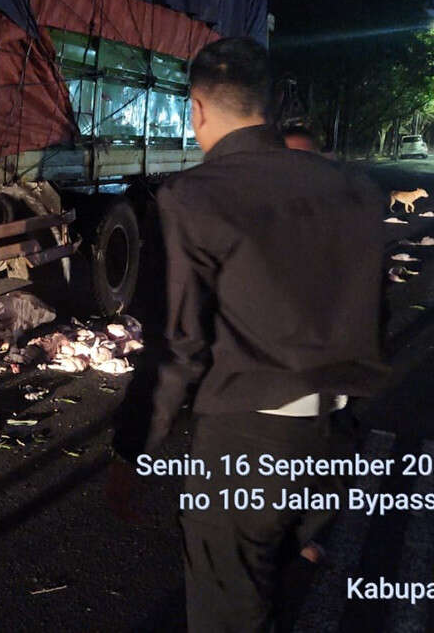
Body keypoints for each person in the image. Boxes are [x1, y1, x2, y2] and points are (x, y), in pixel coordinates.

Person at [109, 38, 389, 632]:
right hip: (334, 436)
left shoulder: (193, 197)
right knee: (280, 573)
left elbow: (179, 344)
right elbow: (371, 310)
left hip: (247, 442)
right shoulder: (357, 189)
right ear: (271, 104)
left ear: (198, 109)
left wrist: (134, 449)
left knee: (228, 606)